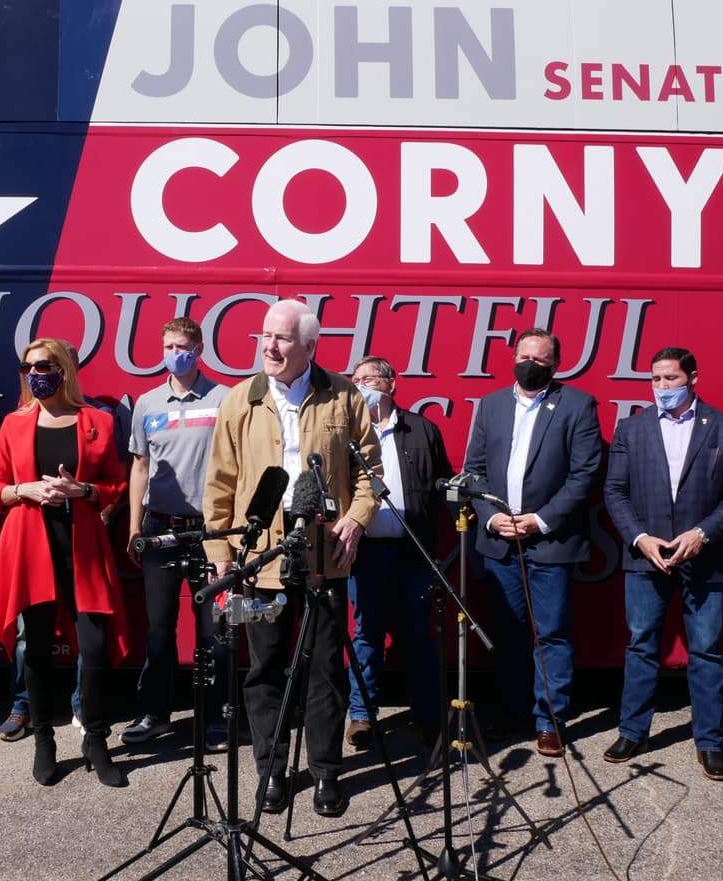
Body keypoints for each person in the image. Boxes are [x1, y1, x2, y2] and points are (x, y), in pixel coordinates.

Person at [203, 299, 379, 817]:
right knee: (265, 667)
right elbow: (219, 485)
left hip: (326, 548)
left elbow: (371, 475)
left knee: (325, 666)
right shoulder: (241, 400)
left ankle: (325, 772)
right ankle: (273, 770)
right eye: (264, 336)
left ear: (309, 346)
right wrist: (220, 552)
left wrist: (357, 518)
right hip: (260, 556)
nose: (269, 346)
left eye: (281, 338)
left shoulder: (345, 396)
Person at [0, 338, 130, 787]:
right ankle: (44, 741)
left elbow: (116, 484)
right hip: (29, 547)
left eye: (43, 366)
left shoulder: (97, 421)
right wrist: (22, 490)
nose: (34, 374)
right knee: (37, 650)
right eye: (27, 367)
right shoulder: (13, 423)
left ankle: (96, 741)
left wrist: (82, 491)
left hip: (82, 547)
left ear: (63, 369)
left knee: (96, 646)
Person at [601, 346, 723, 782]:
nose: (663, 387)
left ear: (692, 378)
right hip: (646, 556)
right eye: (656, 379)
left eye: (671, 378)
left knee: (705, 649)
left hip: (703, 557)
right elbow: (615, 491)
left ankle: (709, 742)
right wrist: (640, 537)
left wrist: (702, 534)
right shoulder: (632, 430)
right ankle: (633, 731)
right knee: (642, 643)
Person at [463, 327, 601, 757]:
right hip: (501, 541)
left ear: (556, 365)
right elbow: (475, 469)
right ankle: (509, 713)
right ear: (513, 357)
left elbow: (585, 476)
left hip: (549, 542)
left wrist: (539, 521)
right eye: (524, 356)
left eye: (540, 360)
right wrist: (492, 517)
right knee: (507, 632)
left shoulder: (577, 405)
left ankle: (550, 721)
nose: (530, 365)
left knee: (552, 634)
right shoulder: (489, 406)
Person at [122, 317, 232, 752]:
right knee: (159, 628)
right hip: (160, 530)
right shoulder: (148, 403)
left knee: (214, 631)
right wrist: (134, 526)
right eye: (168, 345)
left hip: (209, 532)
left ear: (199, 348)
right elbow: (140, 467)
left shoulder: (226, 399)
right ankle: (155, 714)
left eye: (182, 345)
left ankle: (217, 718)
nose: (174, 352)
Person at [345, 356, 453, 750]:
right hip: (364, 552)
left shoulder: (423, 429)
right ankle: (361, 716)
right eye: (355, 380)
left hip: (413, 552)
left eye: (368, 378)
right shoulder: (346, 433)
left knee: (417, 635)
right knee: (366, 635)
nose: (361, 385)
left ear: (391, 384)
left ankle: (428, 717)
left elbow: (441, 485)